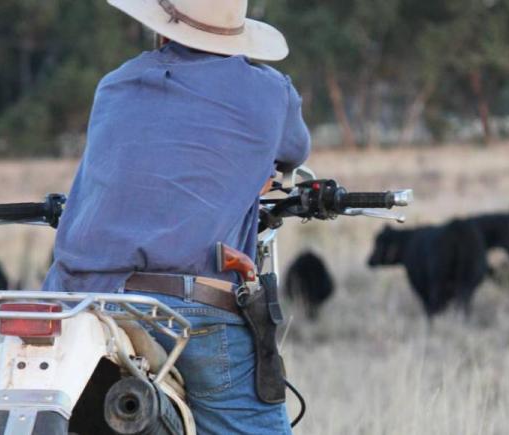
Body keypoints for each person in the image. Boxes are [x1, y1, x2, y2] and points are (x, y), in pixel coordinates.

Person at [42, 0, 311, 433]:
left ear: (162, 29)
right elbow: (295, 151)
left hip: (77, 298)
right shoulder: (269, 92)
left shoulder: (115, 85)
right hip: (183, 306)